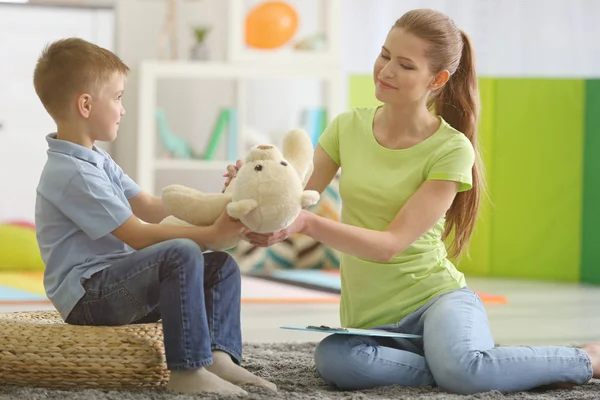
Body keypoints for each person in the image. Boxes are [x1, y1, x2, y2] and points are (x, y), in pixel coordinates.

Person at [224, 8, 600, 395]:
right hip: (371, 322)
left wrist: (307, 224)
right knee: (335, 360)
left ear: (436, 79)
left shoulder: (452, 149)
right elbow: (294, 196)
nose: (385, 71)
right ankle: (459, 366)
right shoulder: (347, 127)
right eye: (384, 55)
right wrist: (254, 185)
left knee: (463, 373)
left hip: (436, 301)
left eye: (404, 65)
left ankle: (585, 358)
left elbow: (389, 246)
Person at [33, 37, 276, 395]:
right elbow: (139, 234)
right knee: (182, 253)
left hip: (119, 285)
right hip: (90, 298)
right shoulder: (71, 173)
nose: (123, 109)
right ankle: (187, 370)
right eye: (117, 98)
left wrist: (227, 197)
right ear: (85, 105)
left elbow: (148, 204)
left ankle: (218, 356)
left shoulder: (95, 159)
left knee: (221, 267)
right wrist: (209, 235)